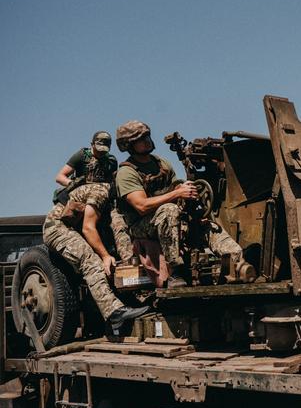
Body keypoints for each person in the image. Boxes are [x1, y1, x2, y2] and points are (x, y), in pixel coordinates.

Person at [114, 120, 245, 288]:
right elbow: (142, 206)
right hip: (140, 225)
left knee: (206, 225)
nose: (147, 140)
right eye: (140, 139)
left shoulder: (161, 164)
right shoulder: (127, 172)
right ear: (129, 145)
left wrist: (188, 200)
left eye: (147, 136)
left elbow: (177, 189)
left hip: (169, 219)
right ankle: (174, 271)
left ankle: (238, 264)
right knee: (169, 210)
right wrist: (177, 194)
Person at [43, 182, 150, 330]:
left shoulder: (114, 204)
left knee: (112, 260)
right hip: (57, 228)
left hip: (72, 228)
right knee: (90, 261)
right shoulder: (101, 191)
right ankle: (114, 313)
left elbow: (120, 232)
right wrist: (105, 256)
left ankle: (133, 299)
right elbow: (88, 228)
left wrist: (130, 264)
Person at [53, 131, 135, 263]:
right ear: (92, 144)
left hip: (102, 200)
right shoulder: (82, 156)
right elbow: (60, 177)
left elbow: (113, 181)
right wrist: (75, 184)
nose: (101, 153)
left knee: (119, 224)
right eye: (98, 148)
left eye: (104, 150)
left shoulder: (111, 161)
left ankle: (128, 260)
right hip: (82, 198)